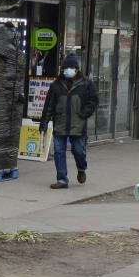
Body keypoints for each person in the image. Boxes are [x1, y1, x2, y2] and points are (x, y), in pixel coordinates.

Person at [39, 54, 99, 189]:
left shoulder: (86, 84)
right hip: (60, 124)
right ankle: (62, 180)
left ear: (76, 69)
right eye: (66, 68)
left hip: (78, 125)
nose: (68, 70)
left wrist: (85, 113)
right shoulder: (56, 85)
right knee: (59, 152)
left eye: (71, 67)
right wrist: (43, 124)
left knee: (79, 150)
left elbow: (93, 101)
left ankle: (81, 168)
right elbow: (49, 105)